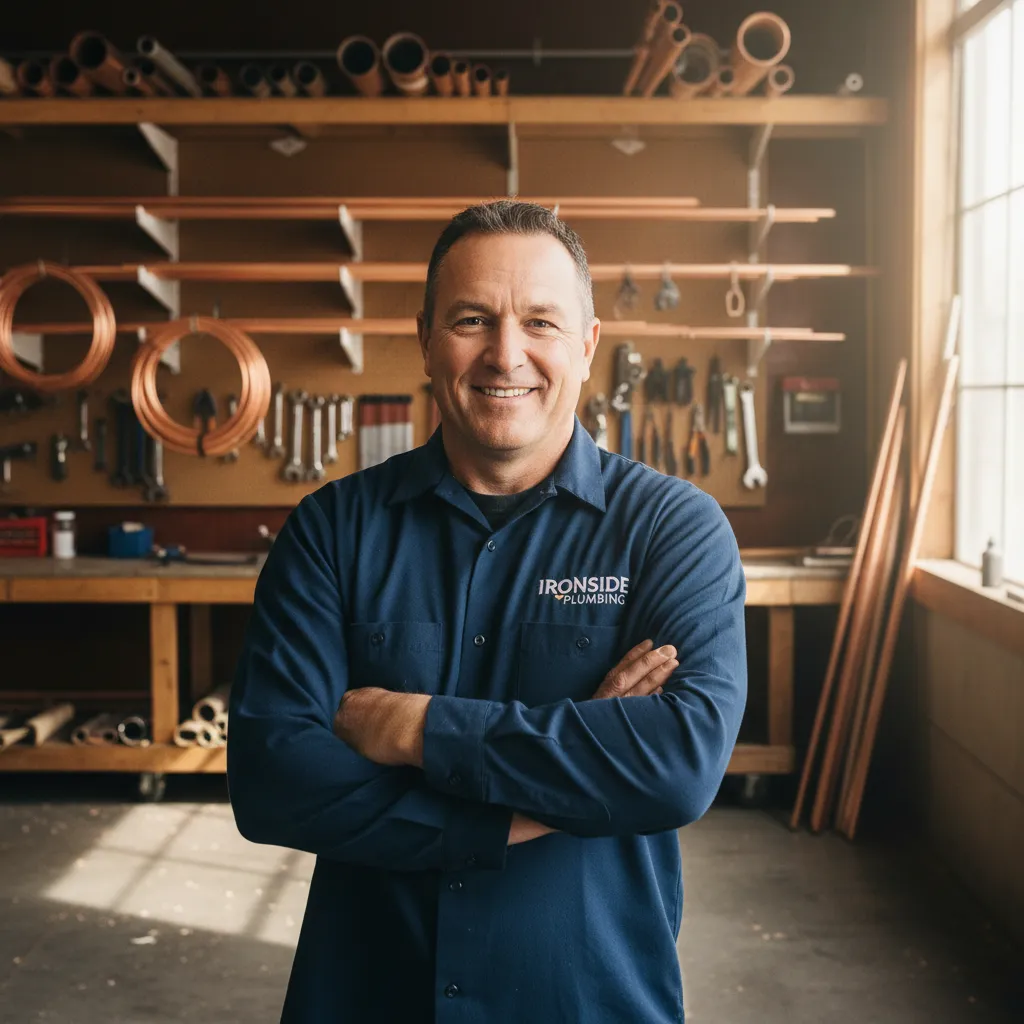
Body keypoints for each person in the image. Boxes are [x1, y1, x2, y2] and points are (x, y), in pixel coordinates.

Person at [228, 200, 747, 1023]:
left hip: (588, 1001)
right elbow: (273, 781)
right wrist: (556, 786)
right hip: (368, 998)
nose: (507, 354)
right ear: (428, 340)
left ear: (586, 345)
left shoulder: (670, 530)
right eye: (473, 319)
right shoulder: (332, 529)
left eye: (541, 320)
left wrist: (416, 727)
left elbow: (677, 765)